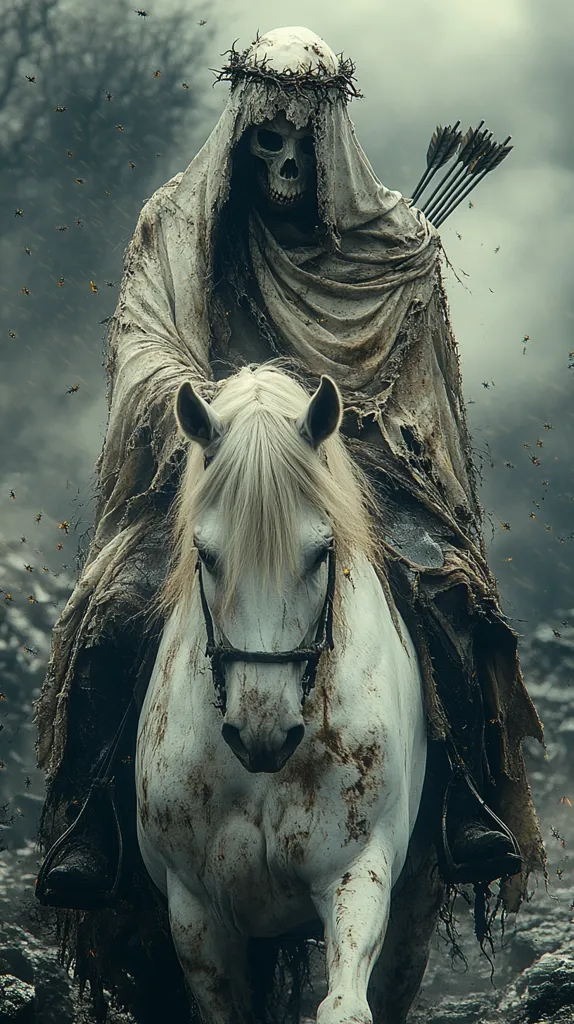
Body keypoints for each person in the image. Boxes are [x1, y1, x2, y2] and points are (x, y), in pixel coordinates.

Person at [35, 26, 545, 914]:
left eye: (300, 145)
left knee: (447, 595)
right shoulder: (179, 225)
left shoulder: (388, 242)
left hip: (349, 465)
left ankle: (465, 807)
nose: (283, 164)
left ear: (330, 143)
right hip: (215, 462)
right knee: (113, 610)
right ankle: (91, 827)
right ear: (241, 134)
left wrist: (362, 399)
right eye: (266, 141)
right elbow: (146, 343)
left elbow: (418, 394)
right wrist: (221, 409)